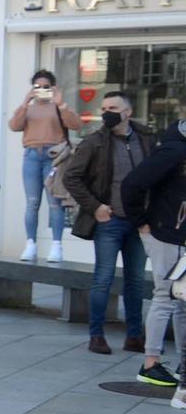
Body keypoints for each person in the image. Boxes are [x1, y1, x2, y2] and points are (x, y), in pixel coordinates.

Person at [64, 91, 155, 355]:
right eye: (103, 107)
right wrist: (95, 207)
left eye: (113, 107)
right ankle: (96, 336)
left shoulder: (146, 139)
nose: (106, 112)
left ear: (127, 112)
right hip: (109, 221)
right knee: (102, 279)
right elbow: (72, 178)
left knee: (136, 281)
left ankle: (135, 336)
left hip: (139, 222)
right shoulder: (95, 142)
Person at [123, 118, 186, 388]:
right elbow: (132, 184)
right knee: (166, 296)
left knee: (181, 301)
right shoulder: (174, 151)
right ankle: (150, 363)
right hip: (165, 233)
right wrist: (141, 222)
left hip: (175, 233)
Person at [10, 69, 80, 262]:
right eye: (37, 87)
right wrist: (25, 103)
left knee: (55, 203)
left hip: (54, 156)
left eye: (46, 87)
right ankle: (30, 243)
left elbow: (75, 124)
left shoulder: (58, 107)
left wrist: (61, 103)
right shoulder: (28, 108)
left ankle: (57, 245)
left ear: (53, 88)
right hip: (32, 155)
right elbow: (14, 126)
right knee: (32, 202)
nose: (41, 90)